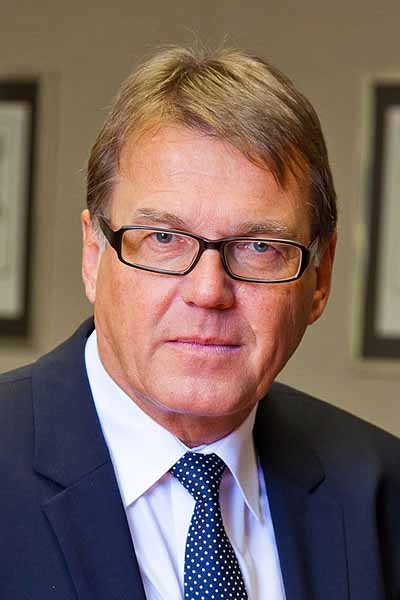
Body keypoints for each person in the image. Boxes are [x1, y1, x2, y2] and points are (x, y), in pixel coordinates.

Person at [1, 45, 399, 600]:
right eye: (164, 238)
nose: (209, 292)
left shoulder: (380, 492)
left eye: (259, 247)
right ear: (94, 256)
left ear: (321, 276)